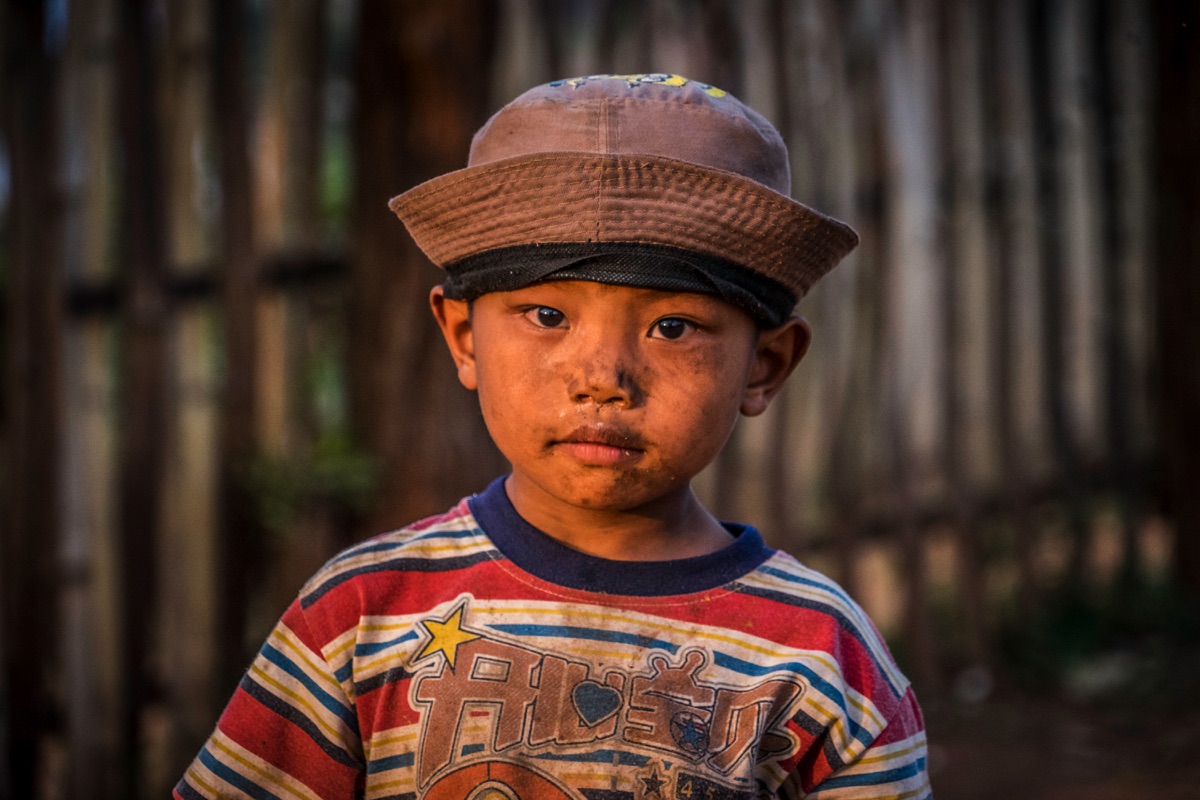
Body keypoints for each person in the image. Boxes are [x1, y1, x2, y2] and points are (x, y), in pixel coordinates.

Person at [175, 73, 930, 800]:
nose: (602, 376)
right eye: (546, 316)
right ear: (465, 338)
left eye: (673, 327)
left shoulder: (821, 656)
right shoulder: (363, 614)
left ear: (765, 365)